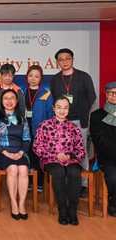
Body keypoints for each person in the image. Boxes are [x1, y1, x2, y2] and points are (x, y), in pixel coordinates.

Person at [50, 48, 96, 198]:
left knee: (80, 151)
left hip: (78, 120)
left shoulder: (83, 77)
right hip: (61, 122)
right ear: (57, 62)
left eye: (67, 59)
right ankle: (64, 180)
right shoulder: (55, 79)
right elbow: (55, 99)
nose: (64, 62)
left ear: (72, 60)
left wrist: (81, 109)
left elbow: (91, 96)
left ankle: (82, 184)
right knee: (61, 150)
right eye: (61, 60)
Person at [33, 96, 86, 226]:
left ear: (69, 109)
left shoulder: (74, 127)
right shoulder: (44, 125)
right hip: (51, 160)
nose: (62, 110)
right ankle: (62, 210)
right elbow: (37, 147)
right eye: (59, 107)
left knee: (74, 173)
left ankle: (72, 211)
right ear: (53, 108)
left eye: (65, 108)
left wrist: (69, 155)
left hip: (71, 160)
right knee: (58, 173)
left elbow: (82, 150)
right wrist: (55, 154)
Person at [0, 89, 31, 220]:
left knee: (23, 169)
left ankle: (22, 204)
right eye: (6, 98)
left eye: (12, 98)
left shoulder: (22, 118)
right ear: (2, 101)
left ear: (17, 101)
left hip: (20, 152)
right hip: (2, 153)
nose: (9, 101)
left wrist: (20, 152)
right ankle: (14, 203)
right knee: (13, 169)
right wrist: (5, 152)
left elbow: (27, 139)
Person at [22, 65, 54, 192]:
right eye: (30, 76)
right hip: (24, 128)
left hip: (39, 129)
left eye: (36, 76)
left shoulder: (46, 94)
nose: (33, 79)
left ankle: (39, 183)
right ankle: (28, 183)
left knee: (38, 155)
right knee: (26, 154)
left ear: (41, 78)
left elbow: (50, 115)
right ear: (27, 77)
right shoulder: (21, 92)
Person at [90, 81, 116, 217]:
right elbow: (98, 140)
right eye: (111, 93)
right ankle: (113, 204)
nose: (113, 96)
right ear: (106, 95)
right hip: (107, 158)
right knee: (113, 178)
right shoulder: (96, 116)